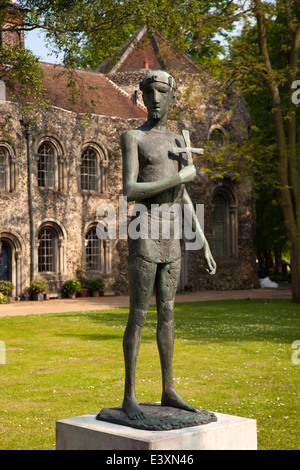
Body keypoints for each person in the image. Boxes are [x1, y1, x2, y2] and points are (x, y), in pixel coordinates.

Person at [121, 70, 216, 420]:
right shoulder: (133, 137)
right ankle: (130, 394)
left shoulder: (179, 140)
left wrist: (202, 240)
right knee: (139, 315)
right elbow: (130, 190)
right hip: (145, 228)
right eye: (150, 93)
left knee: (169, 313)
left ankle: (168, 388)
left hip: (172, 233)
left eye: (162, 92)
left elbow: (183, 195)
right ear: (142, 97)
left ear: (173, 97)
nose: (155, 99)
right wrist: (178, 177)